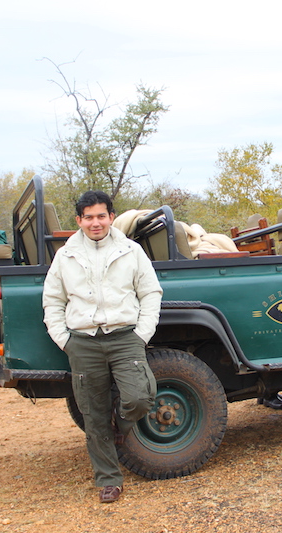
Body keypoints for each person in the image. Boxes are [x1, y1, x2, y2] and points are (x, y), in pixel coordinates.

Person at [42, 190, 162, 503]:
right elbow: (53, 300)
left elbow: (150, 292)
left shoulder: (130, 250)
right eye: (89, 217)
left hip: (125, 338)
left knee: (139, 398)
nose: (96, 223)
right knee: (92, 415)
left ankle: (120, 422)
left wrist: (141, 334)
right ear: (79, 220)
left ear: (110, 216)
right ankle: (108, 479)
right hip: (82, 342)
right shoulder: (65, 255)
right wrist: (65, 339)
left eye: (101, 215)